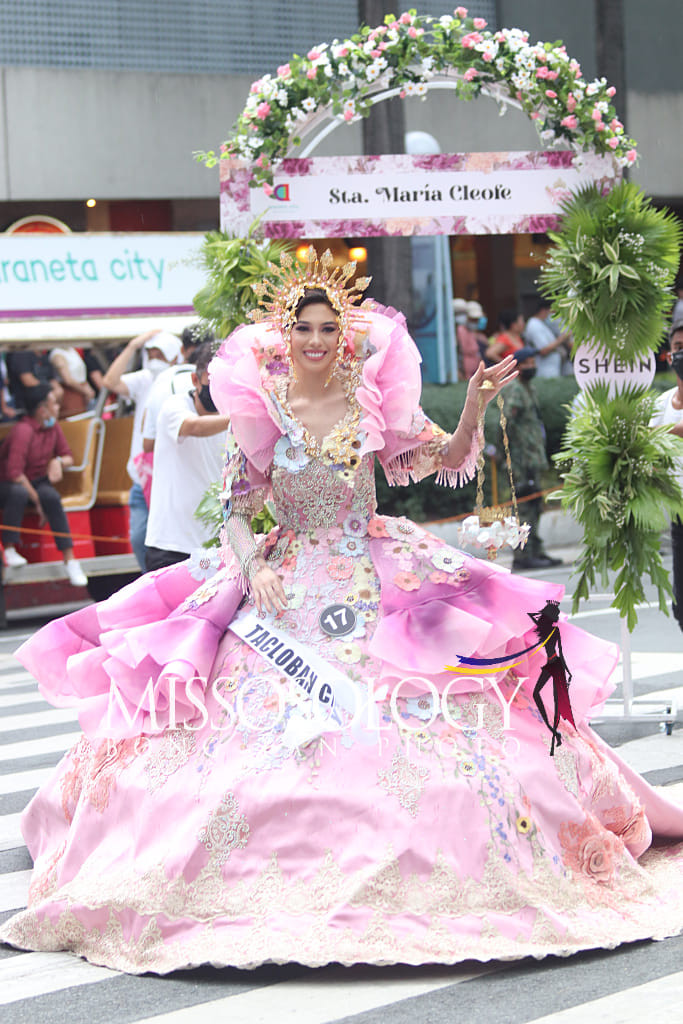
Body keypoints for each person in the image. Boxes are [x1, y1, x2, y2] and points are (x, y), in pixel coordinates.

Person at [2, 251, 683, 974]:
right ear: (284, 335)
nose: (318, 340)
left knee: (437, 726)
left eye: (330, 327)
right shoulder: (259, 410)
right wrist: (254, 563)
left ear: (347, 335)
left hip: (374, 577)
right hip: (281, 590)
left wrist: (477, 404)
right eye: (305, 328)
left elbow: (439, 461)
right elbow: (236, 511)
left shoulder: (370, 402)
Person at [144, 341, 229, 571]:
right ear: (195, 380)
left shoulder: (233, 415)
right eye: (212, 384)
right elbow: (194, 427)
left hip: (216, 546)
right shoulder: (174, 406)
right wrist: (241, 416)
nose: (218, 392)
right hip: (171, 546)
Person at [102, 329, 182, 570]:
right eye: (151, 353)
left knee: (171, 543)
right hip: (142, 478)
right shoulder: (145, 379)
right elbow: (110, 382)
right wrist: (132, 347)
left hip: (172, 478)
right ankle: (149, 581)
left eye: (160, 353)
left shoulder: (181, 380)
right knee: (138, 537)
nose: (155, 358)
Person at [0, 384, 87, 585]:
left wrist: (57, 461)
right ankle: (11, 548)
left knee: (52, 497)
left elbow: (68, 456)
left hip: (37, 481)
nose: (58, 407)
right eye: (54, 404)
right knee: (19, 493)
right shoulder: (23, 430)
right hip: (9, 483)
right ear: (42, 409)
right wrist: (37, 502)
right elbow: (15, 474)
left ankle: (70, 559)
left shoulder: (53, 426)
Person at [500, 347, 562, 570]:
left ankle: (536, 550)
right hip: (520, 460)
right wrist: (513, 459)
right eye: (527, 363)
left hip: (533, 457)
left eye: (533, 362)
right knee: (524, 507)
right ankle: (524, 555)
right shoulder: (514, 390)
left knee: (535, 505)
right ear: (517, 366)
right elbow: (507, 425)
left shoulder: (528, 388)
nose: (532, 367)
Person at [650, 318, 683, 631]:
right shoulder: (662, 403)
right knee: (682, 603)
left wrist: (665, 430)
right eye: (678, 349)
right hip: (679, 513)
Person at [523, 299, 572, 378]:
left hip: (552, 370)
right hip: (545, 371)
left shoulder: (542, 323)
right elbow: (543, 350)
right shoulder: (534, 324)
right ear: (543, 311)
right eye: (551, 312)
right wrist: (562, 338)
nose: (552, 314)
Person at [48, 347, 95, 418]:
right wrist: (85, 391)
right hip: (71, 394)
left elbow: (81, 374)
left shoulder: (71, 350)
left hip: (81, 392)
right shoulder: (57, 354)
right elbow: (68, 380)